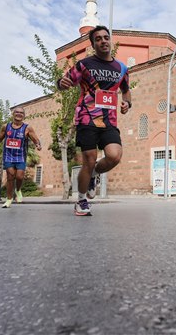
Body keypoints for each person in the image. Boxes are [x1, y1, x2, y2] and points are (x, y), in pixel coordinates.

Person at [57, 25, 132, 216]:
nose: (103, 41)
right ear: (93, 44)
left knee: (114, 155)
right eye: (98, 39)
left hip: (109, 121)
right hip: (86, 117)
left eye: (106, 37)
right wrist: (61, 83)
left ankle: (94, 174)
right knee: (88, 160)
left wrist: (127, 103)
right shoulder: (84, 64)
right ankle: (81, 200)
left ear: (110, 40)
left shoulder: (122, 68)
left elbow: (126, 91)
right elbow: (65, 82)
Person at [0, 108, 42, 208]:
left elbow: (35, 139)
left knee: (19, 176)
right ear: (13, 114)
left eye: (21, 113)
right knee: (10, 176)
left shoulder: (27, 128)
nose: (19, 114)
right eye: (17, 112)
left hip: (21, 156)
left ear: (24, 115)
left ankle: (18, 190)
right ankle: (9, 199)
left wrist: (38, 145)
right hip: (8, 155)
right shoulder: (6, 127)